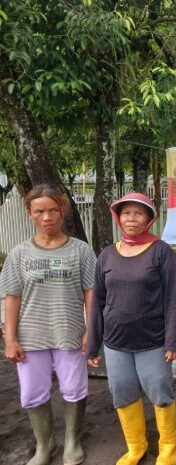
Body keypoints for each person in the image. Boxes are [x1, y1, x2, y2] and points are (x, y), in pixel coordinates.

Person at [0, 184, 96, 465]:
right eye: (40, 211)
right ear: (30, 213)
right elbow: (12, 298)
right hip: (30, 337)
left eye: (53, 210)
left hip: (69, 332)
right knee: (32, 392)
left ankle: (71, 442)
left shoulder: (81, 251)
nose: (47, 217)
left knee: (75, 388)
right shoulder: (19, 255)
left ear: (62, 211)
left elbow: (91, 292)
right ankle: (45, 445)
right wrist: (10, 338)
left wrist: (91, 329)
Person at [87, 192, 176, 465]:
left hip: (153, 341)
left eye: (138, 213)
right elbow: (98, 303)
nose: (132, 218)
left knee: (161, 393)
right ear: (118, 217)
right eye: (126, 213)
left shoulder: (161, 252)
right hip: (115, 342)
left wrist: (173, 341)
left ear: (149, 218)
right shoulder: (107, 255)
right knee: (123, 393)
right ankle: (136, 447)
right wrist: (93, 344)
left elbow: (173, 300)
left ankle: (168, 447)